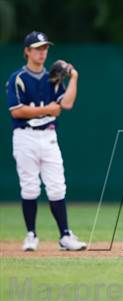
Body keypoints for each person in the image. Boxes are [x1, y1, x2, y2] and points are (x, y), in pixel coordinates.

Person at [5, 31, 86, 251]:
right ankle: (31, 235)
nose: (42, 52)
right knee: (30, 187)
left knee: (57, 186)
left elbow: (66, 104)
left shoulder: (52, 78)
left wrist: (74, 77)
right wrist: (47, 109)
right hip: (25, 137)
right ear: (27, 51)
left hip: (49, 136)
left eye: (45, 48)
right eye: (38, 48)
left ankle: (65, 235)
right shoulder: (17, 78)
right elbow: (16, 111)